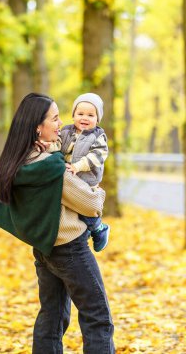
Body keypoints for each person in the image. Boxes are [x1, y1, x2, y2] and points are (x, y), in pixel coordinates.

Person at [0, 93, 115, 354]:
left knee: (52, 316)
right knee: (97, 317)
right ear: (38, 126)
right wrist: (98, 192)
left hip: (44, 248)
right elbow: (92, 205)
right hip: (70, 247)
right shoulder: (52, 168)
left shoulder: (21, 159)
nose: (62, 125)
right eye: (55, 119)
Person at [45, 93, 110, 252]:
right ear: (73, 115)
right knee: (72, 210)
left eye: (90, 115)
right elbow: (57, 145)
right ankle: (84, 232)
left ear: (97, 119)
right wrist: (46, 147)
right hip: (70, 178)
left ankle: (99, 228)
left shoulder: (98, 136)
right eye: (80, 114)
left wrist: (78, 166)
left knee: (86, 210)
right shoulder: (66, 131)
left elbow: (97, 156)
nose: (84, 118)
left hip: (88, 180)